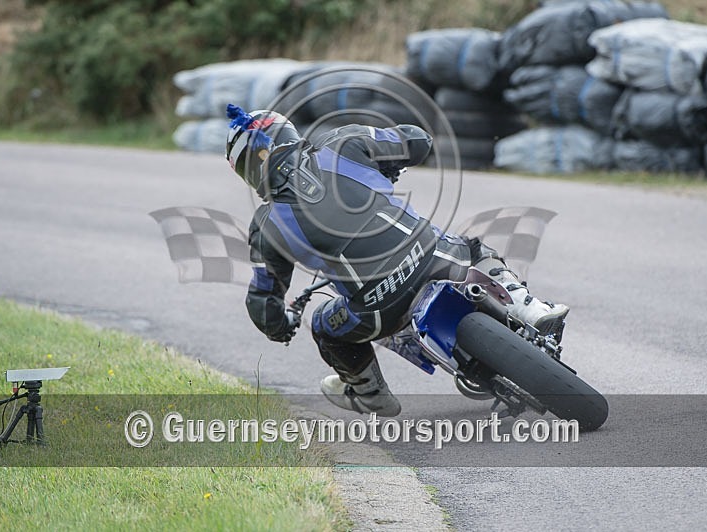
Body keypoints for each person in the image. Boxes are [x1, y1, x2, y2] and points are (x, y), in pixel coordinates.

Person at [225, 104, 568, 417]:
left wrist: (282, 325)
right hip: (433, 257)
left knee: (324, 326)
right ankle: (530, 309)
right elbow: (416, 140)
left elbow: (263, 302)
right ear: (287, 133)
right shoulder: (342, 143)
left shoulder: (267, 226)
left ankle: (370, 394)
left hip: (375, 309)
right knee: (475, 250)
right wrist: (390, 164)